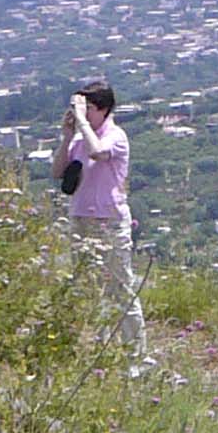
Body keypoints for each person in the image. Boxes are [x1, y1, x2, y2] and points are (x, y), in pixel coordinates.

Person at [59, 82, 147, 366]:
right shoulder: (78, 139)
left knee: (120, 287)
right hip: (81, 217)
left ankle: (135, 355)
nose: (82, 113)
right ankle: (98, 350)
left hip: (108, 220)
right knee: (88, 287)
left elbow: (97, 152)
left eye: (88, 108)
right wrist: (67, 135)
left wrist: (83, 123)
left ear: (103, 109)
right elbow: (57, 171)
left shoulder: (115, 136)